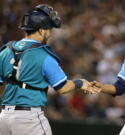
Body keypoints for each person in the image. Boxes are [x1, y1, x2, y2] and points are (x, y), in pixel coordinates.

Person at [0, 4, 99, 135]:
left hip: (4, 118)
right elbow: (63, 88)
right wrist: (79, 83)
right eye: (49, 29)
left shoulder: (6, 51)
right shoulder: (44, 56)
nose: (50, 34)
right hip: (29, 119)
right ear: (41, 30)